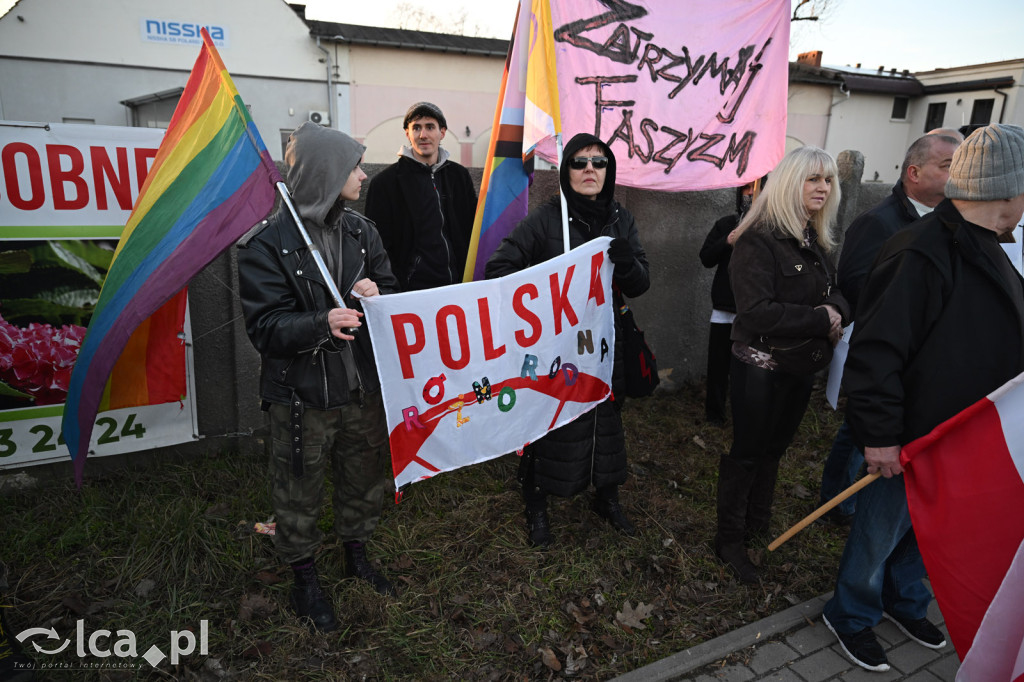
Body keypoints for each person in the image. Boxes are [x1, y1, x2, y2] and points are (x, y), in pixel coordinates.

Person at [822, 123, 1024, 672]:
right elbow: (878, 352)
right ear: (1007, 188)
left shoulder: (991, 247)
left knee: (924, 533)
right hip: (911, 436)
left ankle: (903, 600)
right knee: (879, 531)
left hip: (959, 437)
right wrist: (881, 437)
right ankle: (852, 613)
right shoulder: (920, 250)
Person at [237, 122, 400, 633]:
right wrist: (319, 323)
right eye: (354, 165)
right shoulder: (267, 244)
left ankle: (357, 554)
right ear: (327, 172)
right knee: (297, 487)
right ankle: (304, 577)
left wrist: (379, 294)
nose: (363, 173)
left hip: (361, 386)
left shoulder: (361, 231)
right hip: (302, 394)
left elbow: (392, 291)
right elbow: (264, 327)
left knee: (363, 476)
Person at [485, 133, 650, 548]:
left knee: (608, 419)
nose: (590, 169)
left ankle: (606, 496)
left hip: (608, 342)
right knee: (552, 422)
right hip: (557, 347)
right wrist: (544, 294)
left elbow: (641, 282)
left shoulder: (621, 220)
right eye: (579, 163)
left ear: (608, 171)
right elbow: (499, 270)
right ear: (565, 171)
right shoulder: (545, 220)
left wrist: (628, 264)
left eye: (599, 161)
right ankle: (536, 503)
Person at [716, 146, 850, 583]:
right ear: (791, 182)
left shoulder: (811, 237)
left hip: (798, 365)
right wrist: (821, 318)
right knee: (748, 452)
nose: (823, 188)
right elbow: (754, 312)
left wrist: (835, 310)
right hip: (760, 365)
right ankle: (729, 542)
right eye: (814, 179)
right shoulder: (759, 239)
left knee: (775, 451)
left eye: (828, 180)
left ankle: (758, 524)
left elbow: (837, 291)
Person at [818, 133, 961, 525]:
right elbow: (855, 284)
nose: (960, 173)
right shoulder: (879, 222)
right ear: (914, 173)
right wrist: (904, 318)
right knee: (861, 425)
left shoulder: (954, 220)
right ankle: (836, 500)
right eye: (948, 166)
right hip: (884, 346)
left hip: (925, 351)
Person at [364, 101, 478, 291]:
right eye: (416, 128)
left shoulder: (459, 176)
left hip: (460, 287)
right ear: (408, 134)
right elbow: (377, 246)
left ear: (442, 132)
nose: (423, 135)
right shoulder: (385, 183)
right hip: (413, 291)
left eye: (430, 127)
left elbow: (472, 229)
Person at [699, 180, 758, 425]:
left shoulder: (773, 227)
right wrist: (727, 241)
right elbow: (706, 257)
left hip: (756, 311)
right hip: (724, 309)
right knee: (718, 364)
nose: (752, 194)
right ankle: (714, 415)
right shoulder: (726, 224)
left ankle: (745, 416)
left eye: (757, 189)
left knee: (750, 368)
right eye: (746, 189)